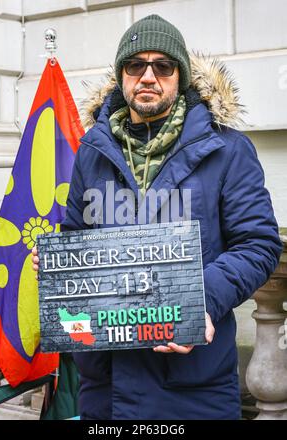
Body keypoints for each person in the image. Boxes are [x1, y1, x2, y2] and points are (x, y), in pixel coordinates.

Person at [32, 14, 282, 420]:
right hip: (106, 388)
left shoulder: (228, 150)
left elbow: (259, 244)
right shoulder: (90, 152)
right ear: (122, 75)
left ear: (179, 76)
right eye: (136, 65)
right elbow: (76, 234)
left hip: (191, 387)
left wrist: (198, 301)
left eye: (162, 66)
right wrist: (60, 266)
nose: (148, 76)